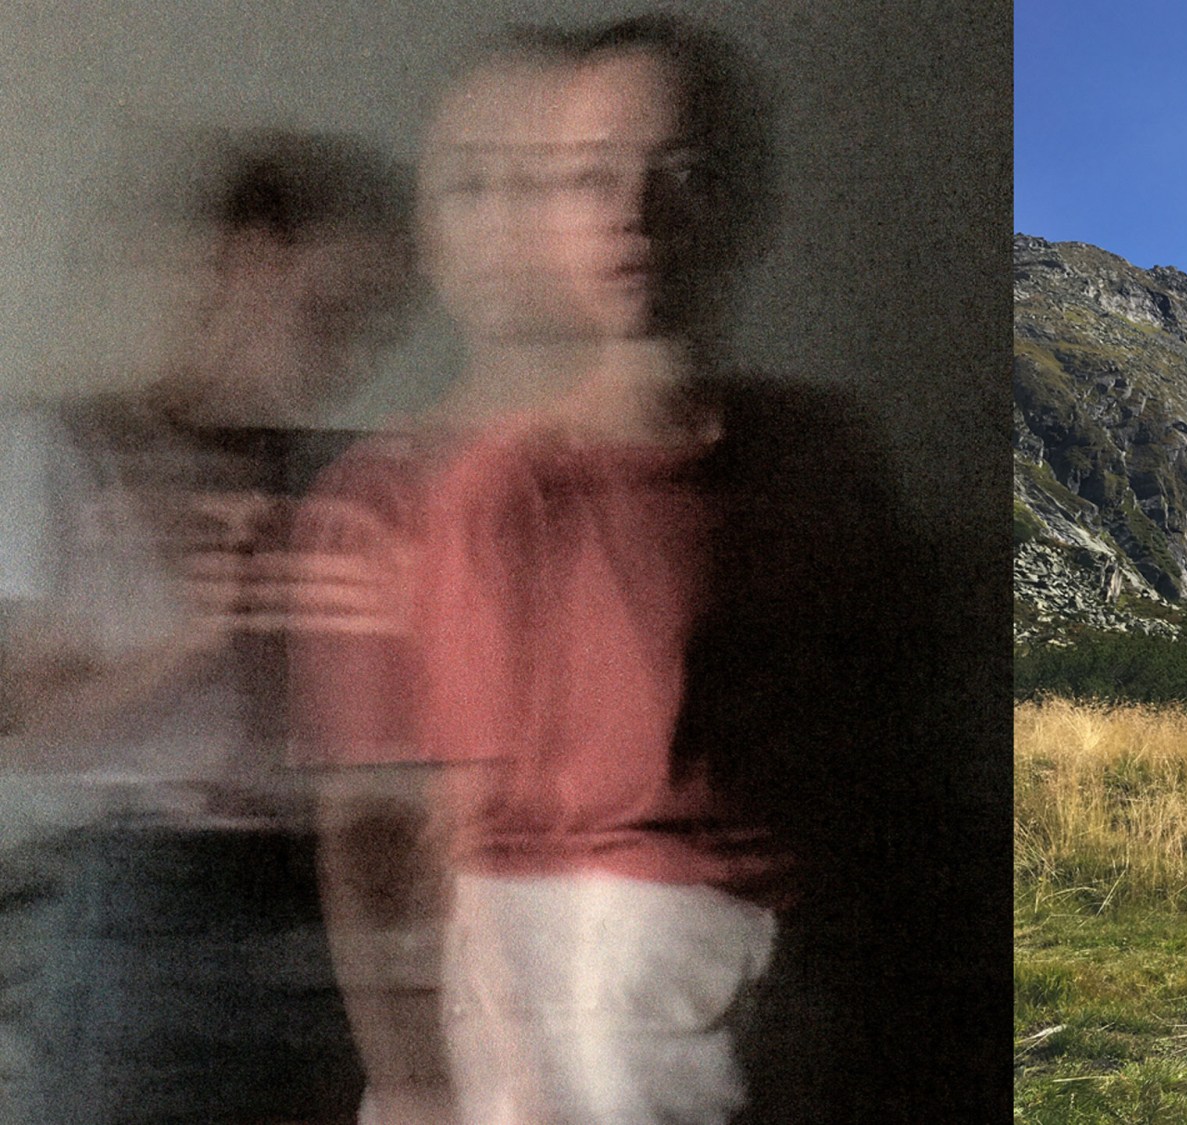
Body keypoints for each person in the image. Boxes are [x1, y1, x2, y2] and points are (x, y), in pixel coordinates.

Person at [294, 15, 916, 1124]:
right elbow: (391, 838)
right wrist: (416, 1081)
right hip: (573, 1007)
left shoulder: (814, 461)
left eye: (674, 172)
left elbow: (868, 763)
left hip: (777, 990)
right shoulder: (437, 496)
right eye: (582, 178)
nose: (627, 214)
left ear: (736, 200)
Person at [0, 130, 410, 1124]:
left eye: (364, 326)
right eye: (324, 312)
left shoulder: (343, 481)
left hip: (321, 905)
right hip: (142, 896)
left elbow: (368, 760)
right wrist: (192, 641)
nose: (343, 355)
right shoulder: (68, 451)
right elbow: (26, 729)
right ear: (245, 267)